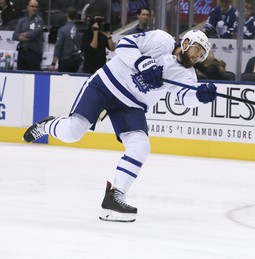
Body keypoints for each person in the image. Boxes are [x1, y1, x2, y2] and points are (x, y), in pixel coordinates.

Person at [22, 29, 217, 223]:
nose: (198, 56)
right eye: (197, 49)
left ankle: (115, 197)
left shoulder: (187, 74)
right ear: (185, 43)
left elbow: (185, 97)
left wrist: (200, 97)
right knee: (73, 131)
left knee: (141, 146)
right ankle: (48, 126)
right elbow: (124, 45)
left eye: (202, 54)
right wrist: (143, 63)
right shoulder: (162, 40)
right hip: (106, 84)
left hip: (132, 105)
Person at [12, 0, 44, 71]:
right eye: (32, 6)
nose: (34, 8)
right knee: (20, 75)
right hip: (22, 52)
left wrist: (22, 34)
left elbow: (34, 34)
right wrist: (28, 37)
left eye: (36, 7)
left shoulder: (39, 20)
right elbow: (15, 36)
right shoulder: (22, 21)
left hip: (34, 53)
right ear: (28, 7)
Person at [49, 7, 83, 73]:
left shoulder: (62, 30)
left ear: (66, 15)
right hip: (77, 61)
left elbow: (58, 47)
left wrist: (53, 63)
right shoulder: (80, 30)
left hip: (65, 61)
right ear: (76, 16)